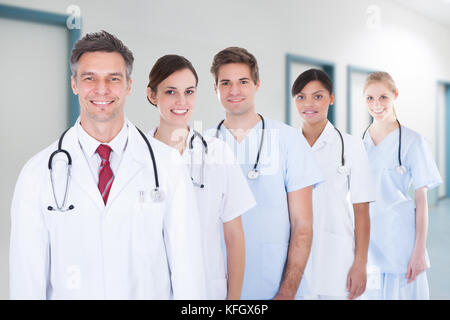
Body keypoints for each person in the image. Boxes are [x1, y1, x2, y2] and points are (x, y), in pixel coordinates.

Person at [9, 31, 207, 299]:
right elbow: (27, 281)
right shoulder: (36, 173)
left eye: (113, 79)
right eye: (90, 78)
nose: (101, 89)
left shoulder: (167, 166)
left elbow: (189, 273)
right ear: (74, 84)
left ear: (128, 85)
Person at [208, 47, 324, 300]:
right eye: (225, 83)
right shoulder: (201, 145)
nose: (234, 90)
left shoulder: (289, 140)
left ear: (257, 84)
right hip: (217, 284)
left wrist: (287, 292)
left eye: (243, 82)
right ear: (214, 88)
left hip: (275, 284)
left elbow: (303, 225)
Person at [146, 54, 255, 299]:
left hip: (207, 290)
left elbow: (234, 235)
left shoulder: (217, 153)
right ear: (152, 95)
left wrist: (233, 301)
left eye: (189, 91)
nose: (181, 101)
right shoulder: (137, 158)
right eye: (171, 92)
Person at [292, 69, 375, 300]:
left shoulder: (351, 145)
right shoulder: (287, 145)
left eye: (317, 96)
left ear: (331, 98)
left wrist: (361, 264)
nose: (309, 103)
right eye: (301, 96)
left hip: (337, 256)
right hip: (294, 258)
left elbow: (361, 211)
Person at [360, 71, 442, 300]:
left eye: (383, 97)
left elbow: (421, 200)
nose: (377, 104)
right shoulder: (359, 142)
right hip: (367, 242)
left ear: (395, 95)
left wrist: (419, 252)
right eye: (370, 98)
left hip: (400, 239)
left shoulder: (413, 141)